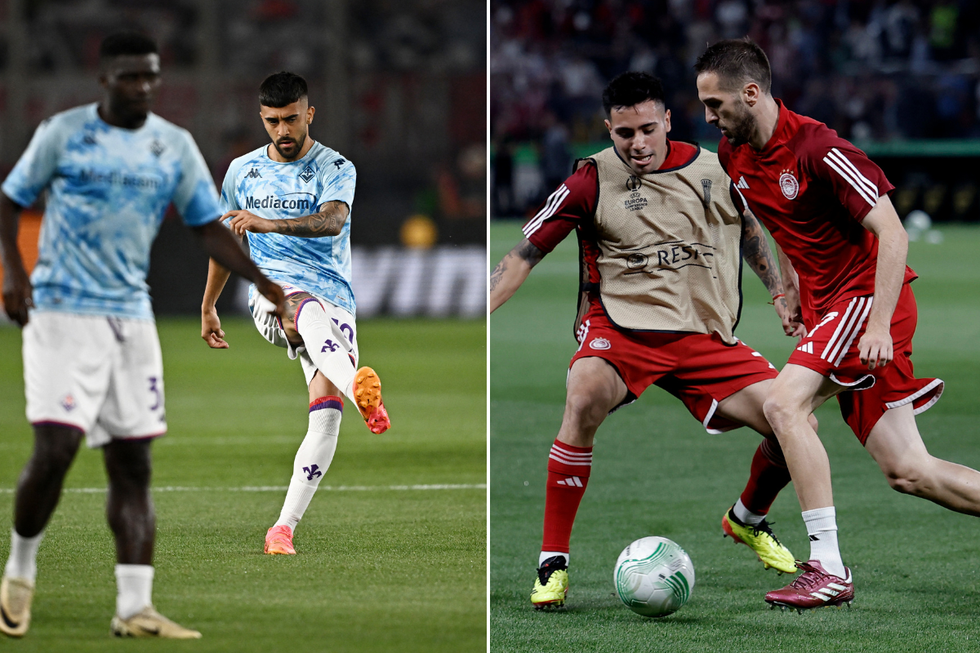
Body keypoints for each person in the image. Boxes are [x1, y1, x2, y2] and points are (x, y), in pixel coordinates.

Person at [491, 72, 814, 610]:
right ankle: (553, 563)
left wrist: (780, 289)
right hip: (621, 329)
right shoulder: (589, 179)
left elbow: (752, 227)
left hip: (702, 334)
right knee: (583, 395)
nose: (637, 144)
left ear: (667, 120)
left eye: (646, 129)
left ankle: (747, 518)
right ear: (608, 130)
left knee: (795, 419)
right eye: (624, 134)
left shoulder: (717, 165)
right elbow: (523, 256)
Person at [0, 32, 285, 639]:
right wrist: (14, 276)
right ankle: (19, 574)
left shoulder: (172, 146)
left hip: (131, 316)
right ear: (105, 79)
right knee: (56, 451)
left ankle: (134, 608)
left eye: (151, 76)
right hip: (61, 310)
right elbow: (10, 200)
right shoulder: (63, 132)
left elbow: (208, 228)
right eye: (131, 76)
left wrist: (268, 285)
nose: (143, 87)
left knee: (133, 463)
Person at [695, 37, 980, 611]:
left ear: (751, 93)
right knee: (909, 470)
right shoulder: (736, 154)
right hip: (831, 309)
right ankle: (752, 517)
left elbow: (894, 233)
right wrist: (791, 286)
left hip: (867, 302)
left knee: (783, 405)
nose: (709, 116)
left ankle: (826, 566)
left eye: (716, 103)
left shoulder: (819, 147)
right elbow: (783, 223)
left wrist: (876, 326)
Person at [200, 71, 391, 558]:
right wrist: (208, 305)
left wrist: (268, 221)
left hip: (335, 299)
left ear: (309, 113)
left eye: (290, 119)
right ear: (261, 119)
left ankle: (281, 530)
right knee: (295, 304)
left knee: (326, 419)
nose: (282, 131)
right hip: (272, 290)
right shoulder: (242, 172)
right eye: (272, 122)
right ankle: (360, 388)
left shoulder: (335, 166)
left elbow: (332, 221)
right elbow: (227, 241)